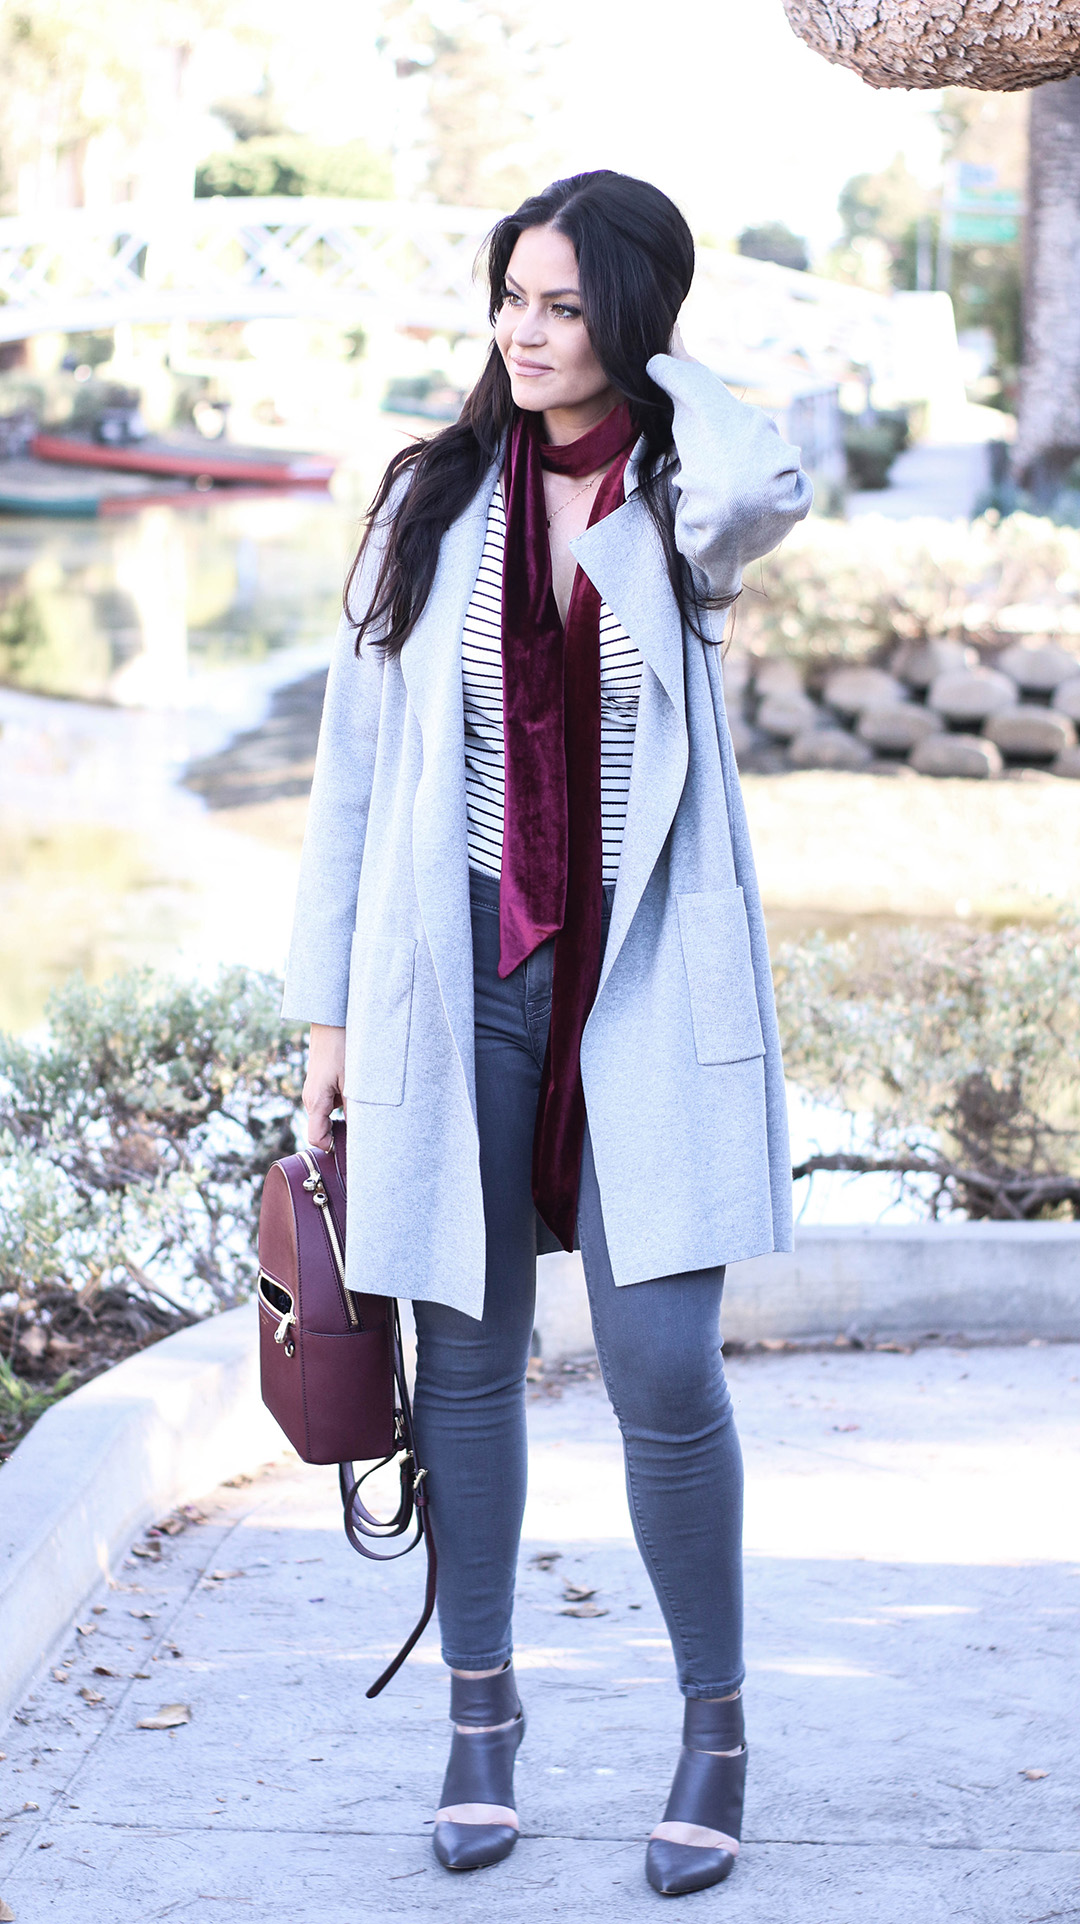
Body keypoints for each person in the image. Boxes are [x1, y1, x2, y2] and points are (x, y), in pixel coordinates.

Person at [284, 168, 811, 1898]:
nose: (523, 329)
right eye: (512, 295)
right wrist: (326, 1025)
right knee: (470, 1369)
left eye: (567, 303)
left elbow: (767, 474)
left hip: (641, 971)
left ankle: (715, 1730)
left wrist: (662, 370)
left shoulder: (678, 501)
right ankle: (480, 1714)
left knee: (663, 1370)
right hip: (461, 973)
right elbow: (350, 783)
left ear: (632, 324)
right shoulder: (430, 502)